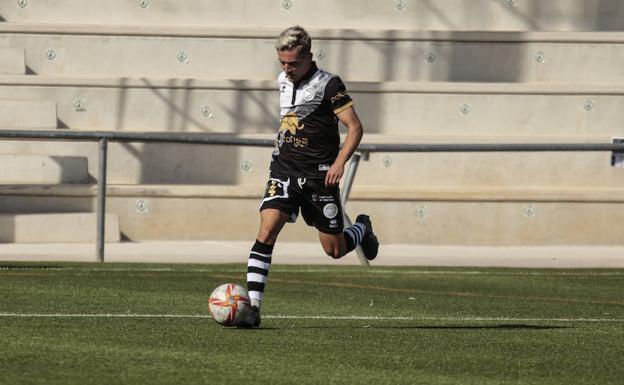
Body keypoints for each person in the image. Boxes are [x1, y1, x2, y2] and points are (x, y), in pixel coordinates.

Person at [240, 26, 379, 328]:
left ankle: (362, 229)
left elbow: (355, 127)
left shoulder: (329, 85)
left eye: (293, 63)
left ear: (309, 58)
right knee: (266, 233)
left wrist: (339, 163)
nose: (287, 69)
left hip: (319, 177)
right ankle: (252, 308)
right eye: (283, 63)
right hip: (285, 170)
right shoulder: (283, 80)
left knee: (335, 250)